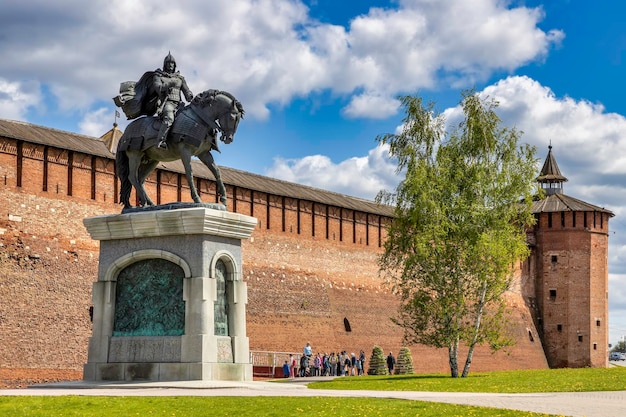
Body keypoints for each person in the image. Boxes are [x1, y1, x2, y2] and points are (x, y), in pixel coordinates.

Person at [153, 52, 194, 149]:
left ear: (175, 65)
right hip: (166, 103)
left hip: (179, 105)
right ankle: (161, 141)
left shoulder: (180, 78)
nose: (170, 65)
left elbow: (186, 90)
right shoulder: (159, 75)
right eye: (168, 63)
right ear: (165, 64)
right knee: (169, 118)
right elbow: (157, 87)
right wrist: (169, 83)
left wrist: (189, 95)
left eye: (172, 63)